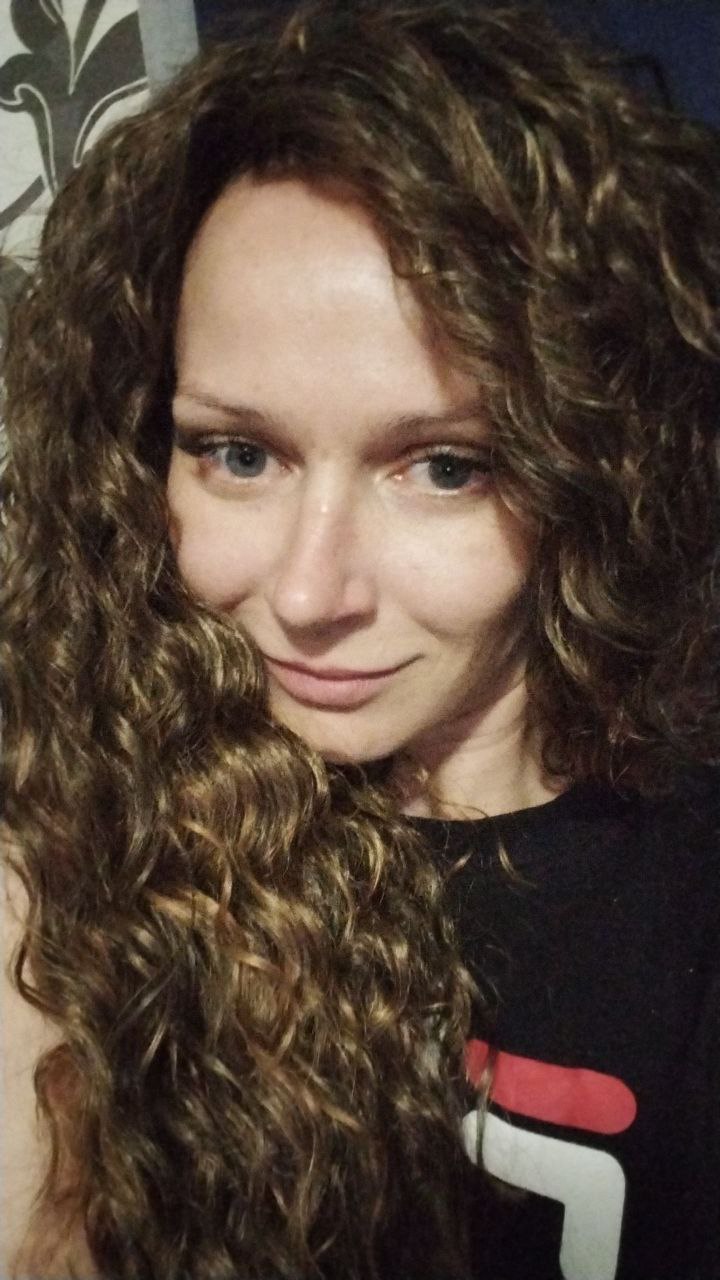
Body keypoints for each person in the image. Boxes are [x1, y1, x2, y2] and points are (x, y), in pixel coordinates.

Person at [2, 2, 719, 1277]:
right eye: (238, 453)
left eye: (444, 465)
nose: (307, 590)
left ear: (595, 462)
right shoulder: (83, 830)